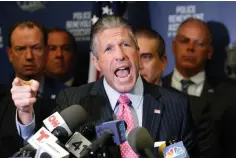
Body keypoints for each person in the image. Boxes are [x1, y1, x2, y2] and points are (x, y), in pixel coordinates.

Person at [10, 16, 199, 157]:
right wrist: (26, 113)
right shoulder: (73, 101)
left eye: (125, 44)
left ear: (137, 52)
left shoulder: (176, 105)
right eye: (108, 48)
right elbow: (45, 150)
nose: (120, 55)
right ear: (97, 62)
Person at [0, 21, 65, 157]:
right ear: (10, 53)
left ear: (47, 51)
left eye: (36, 48)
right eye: (20, 49)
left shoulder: (67, 95)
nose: (29, 56)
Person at [162, 18, 221, 158]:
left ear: (210, 52)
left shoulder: (230, 96)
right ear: (173, 46)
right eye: (184, 41)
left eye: (199, 43)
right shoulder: (155, 90)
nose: (190, 48)